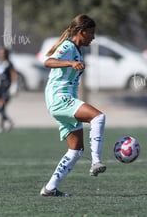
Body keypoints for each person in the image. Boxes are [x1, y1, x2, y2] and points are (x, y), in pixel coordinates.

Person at [40, 14, 106, 197]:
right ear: (82, 32)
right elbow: (48, 62)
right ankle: (96, 161)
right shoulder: (68, 47)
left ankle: (50, 188)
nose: (93, 37)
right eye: (91, 33)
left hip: (61, 100)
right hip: (59, 98)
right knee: (98, 117)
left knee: (76, 150)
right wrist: (70, 62)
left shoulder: (77, 50)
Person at [0, 46, 18, 133]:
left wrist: (14, 85)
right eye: (0, 53)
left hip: (7, 86)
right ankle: (8, 121)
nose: (1, 54)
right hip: (0, 86)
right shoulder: (0, 63)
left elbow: (14, 75)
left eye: (2, 53)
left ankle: (1, 125)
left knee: (2, 106)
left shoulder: (9, 63)